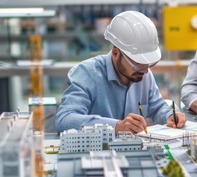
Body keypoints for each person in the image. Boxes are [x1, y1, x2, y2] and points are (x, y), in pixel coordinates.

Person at [56, 11, 186, 134]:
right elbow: (64, 119)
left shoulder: (142, 73)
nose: (146, 71)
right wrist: (116, 126)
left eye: (148, 64)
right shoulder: (86, 74)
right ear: (116, 53)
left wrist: (169, 115)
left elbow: (157, 106)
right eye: (138, 63)